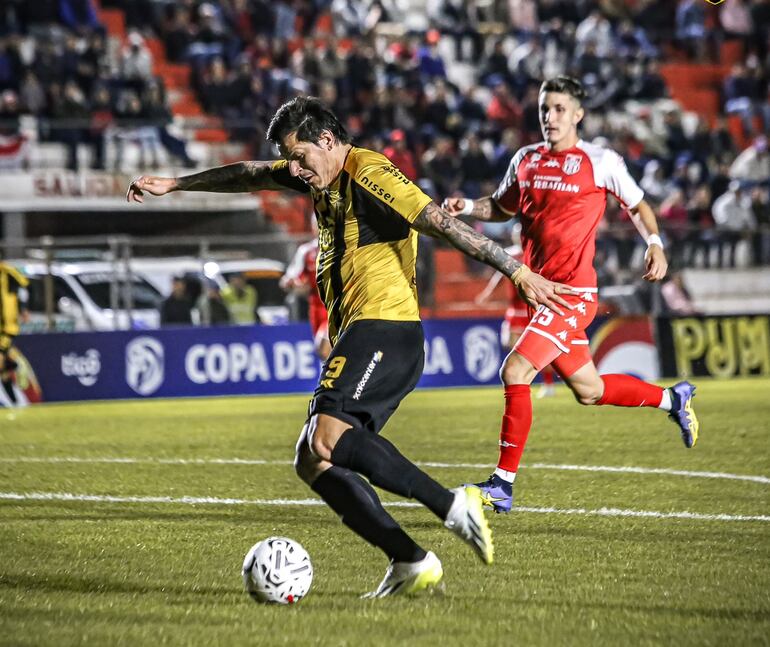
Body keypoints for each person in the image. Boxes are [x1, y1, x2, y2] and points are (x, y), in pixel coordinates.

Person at [127, 96, 572, 598]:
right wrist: (176, 184)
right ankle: (410, 560)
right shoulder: (315, 170)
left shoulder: (370, 171)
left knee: (324, 437)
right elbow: (250, 172)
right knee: (312, 458)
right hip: (362, 332)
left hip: (385, 326)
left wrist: (517, 271)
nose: (295, 170)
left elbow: (439, 222)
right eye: (289, 160)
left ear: (328, 140)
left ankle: (451, 505)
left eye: (300, 158)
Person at [442, 76, 700, 514]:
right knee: (590, 389)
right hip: (538, 295)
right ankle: (674, 399)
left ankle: (502, 485)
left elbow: (637, 205)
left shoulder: (600, 161)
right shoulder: (525, 159)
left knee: (516, 370)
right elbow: (502, 207)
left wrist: (655, 243)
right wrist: (467, 206)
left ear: (578, 114)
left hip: (571, 295)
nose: (550, 117)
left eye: (560, 108)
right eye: (545, 108)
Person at [475, 224, 556, 398]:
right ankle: (520, 384)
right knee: (514, 349)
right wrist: (487, 293)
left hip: (534, 309)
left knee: (538, 350)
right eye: (516, 234)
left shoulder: (536, 254)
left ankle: (548, 384)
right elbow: (499, 276)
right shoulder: (510, 254)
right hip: (515, 311)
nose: (518, 237)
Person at [280, 232, 331, 360]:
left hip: (336, 305)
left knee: (325, 344)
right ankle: (331, 377)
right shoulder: (307, 251)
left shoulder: (342, 247)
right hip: (316, 305)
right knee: (322, 350)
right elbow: (288, 280)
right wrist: (295, 285)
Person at [0, 259, 28, 407]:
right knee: (3, 372)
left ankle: (12, 364)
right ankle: (15, 403)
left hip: (7, 328)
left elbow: (23, 289)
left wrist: (23, 309)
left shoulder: (9, 272)